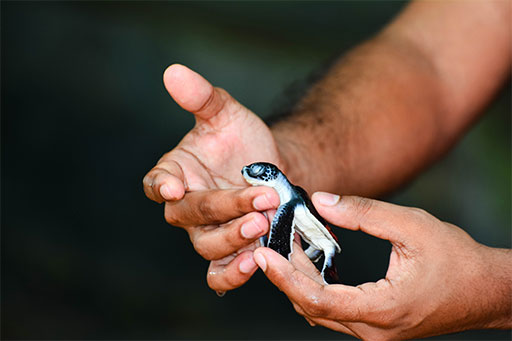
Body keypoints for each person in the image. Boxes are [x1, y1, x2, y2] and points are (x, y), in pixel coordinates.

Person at [143, 0, 511, 339]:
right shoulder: (281, 186)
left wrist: (497, 289)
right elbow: (434, 60)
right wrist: (295, 158)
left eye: (265, 172)